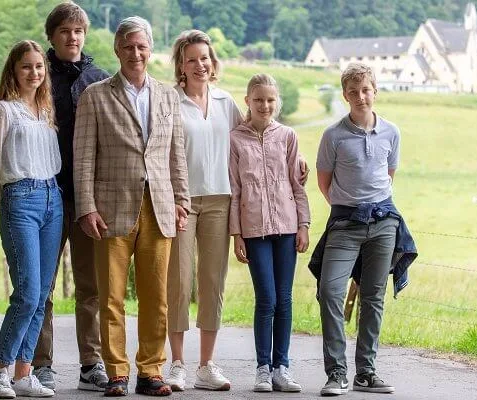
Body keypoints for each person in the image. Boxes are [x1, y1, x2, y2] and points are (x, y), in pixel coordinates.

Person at [73, 16, 190, 397]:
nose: (135, 53)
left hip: (160, 206)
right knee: (111, 297)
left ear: (150, 49)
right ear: (117, 49)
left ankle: (151, 371)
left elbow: (176, 155)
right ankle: (117, 372)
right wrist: (87, 206)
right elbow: (83, 158)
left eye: (141, 46)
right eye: (128, 46)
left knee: (158, 295)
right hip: (110, 210)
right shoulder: (95, 95)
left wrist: (182, 200)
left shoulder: (168, 95)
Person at [314, 62, 416, 396]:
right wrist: (349, 207)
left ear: (375, 91)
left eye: (366, 90)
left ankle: (366, 372)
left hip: (384, 224)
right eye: (354, 91)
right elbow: (325, 184)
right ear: (345, 95)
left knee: (373, 297)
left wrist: (374, 210)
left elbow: (389, 175)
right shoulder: (333, 136)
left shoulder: (392, 132)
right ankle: (337, 371)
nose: (361, 97)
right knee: (329, 290)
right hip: (345, 224)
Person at [31, 2, 110, 392]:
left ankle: (90, 363)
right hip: (45, 194)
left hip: (88, 200)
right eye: (65, 30)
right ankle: (41, 364)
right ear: (52, 36)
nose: (72, 37)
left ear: (85, 35)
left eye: (78, 30)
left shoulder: (100, 79)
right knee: (42, 285)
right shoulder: (36, 76)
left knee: (90, 285)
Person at [0, 40, 62, 398]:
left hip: (53, 200)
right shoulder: (4, 111)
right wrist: (7, 204)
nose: (34, 73)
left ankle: (25, 374)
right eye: (26, 66)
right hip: (21, 200)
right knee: (27, 293)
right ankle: (0, 372)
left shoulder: (45, 110)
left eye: (39, 66)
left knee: (42, 294)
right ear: (13, 70)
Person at [164, 29, 241, 392]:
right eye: (191, 59)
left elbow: (253, 142)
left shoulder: (227, 102)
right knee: (179, 282)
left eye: (205, 58)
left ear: (213, 62)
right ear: (181, 64)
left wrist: (294, 159)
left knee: (212, 282)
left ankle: (206, 365)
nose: (200, 65)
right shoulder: (170, 101)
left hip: (220, 201)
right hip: (181, 202)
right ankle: (177, 364)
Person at [229, 73, 310, 393]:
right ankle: (263, 368)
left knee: (285, 299)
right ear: (247, 101)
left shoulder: (288, 136)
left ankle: (282, 367)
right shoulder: (235, 139)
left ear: (278, 102)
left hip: (287, 228)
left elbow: (297, 184)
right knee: (267, 298)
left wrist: (304, 224)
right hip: (254, 229)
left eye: (271, 100)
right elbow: (234, 190)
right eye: (259, 99)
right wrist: (237, 234)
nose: (265, 105)